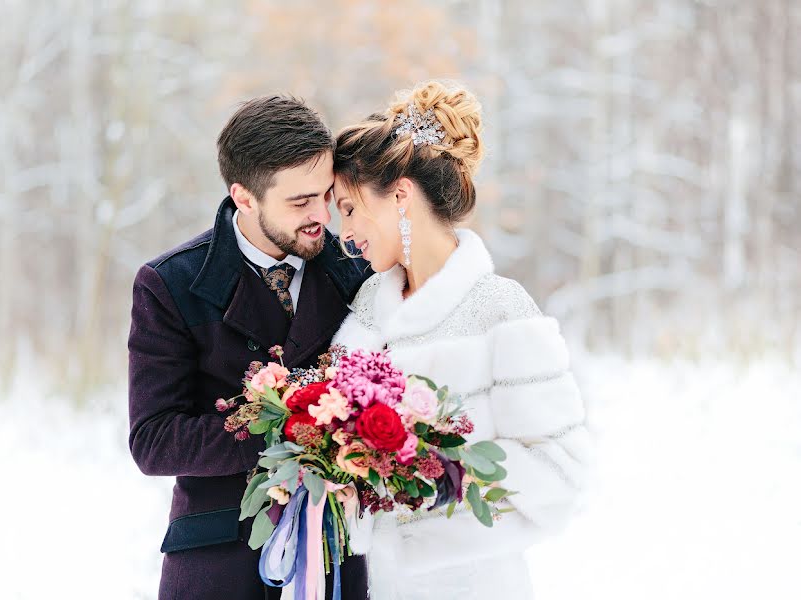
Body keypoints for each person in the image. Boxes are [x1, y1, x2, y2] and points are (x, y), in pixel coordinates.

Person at [331, 81, 591, 599]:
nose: (345, 231)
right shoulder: (364, 311)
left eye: (350, 208)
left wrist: (431, 468)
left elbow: (562, 473)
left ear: (400, 195)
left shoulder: (501, 308)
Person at [128, 95, 371, 599]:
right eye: (299, 202)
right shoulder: (170, 284)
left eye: (325, 195)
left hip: (336, 556)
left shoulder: (358, 273)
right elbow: (152, 440)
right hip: (218, 557)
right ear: (244, 197)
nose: (321, 216)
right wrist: (289, 433)